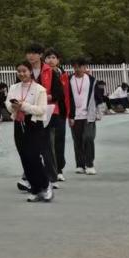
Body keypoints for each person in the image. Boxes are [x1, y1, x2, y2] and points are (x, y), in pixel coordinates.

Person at [7, 63, 52, 202]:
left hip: (34, 124)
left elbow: (41, 109)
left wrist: (24, 106)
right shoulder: (14, 88)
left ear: (30, 71)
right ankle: (35, 188)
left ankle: (45, 185)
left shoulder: (40, 89)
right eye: (19, 71)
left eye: (24, 71)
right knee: (24, 157)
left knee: (33, 156)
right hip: (19, 123)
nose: (22, 74)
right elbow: (7, 104)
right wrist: (13, 107)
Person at [67, 58, 103, 175]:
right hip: (74, 116)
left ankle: (90, 164)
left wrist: (99, 112)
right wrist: (69, 115)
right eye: (75, 66)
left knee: (88, 138)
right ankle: (80, 165)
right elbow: (66, 98)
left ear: (85, 67)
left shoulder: (92, 80)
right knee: (77, 140)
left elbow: (98, 97)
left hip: (89, 114)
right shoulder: (68, 80)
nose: (78, 69)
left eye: (80, 66)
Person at [44, 49, 71, 182]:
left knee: (59, 141)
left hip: (60, 112)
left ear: (58, 60)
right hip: (45, 111)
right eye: (48, 57)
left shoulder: (64, 75)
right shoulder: (42, 75)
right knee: (48, 142)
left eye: (53, 57)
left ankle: (59, 169)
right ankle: (50, 169)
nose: (51, 60)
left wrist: (70, 114)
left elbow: (68, 96)